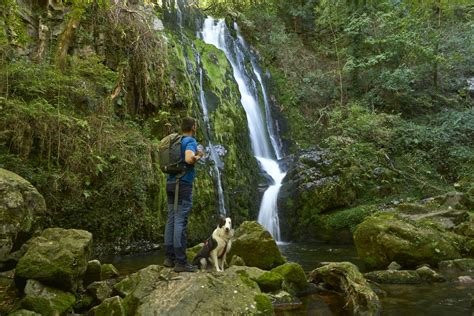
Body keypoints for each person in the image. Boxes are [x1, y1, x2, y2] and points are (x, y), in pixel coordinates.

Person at [163, 117, 204, 272]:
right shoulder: (190, 141)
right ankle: (181, 262)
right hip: (183, 185)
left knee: (171, 219)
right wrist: (198, 155)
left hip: (171, 183)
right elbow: (189, 159)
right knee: (180, 220)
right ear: (193, 127)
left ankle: (169, 258)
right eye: (196, 126)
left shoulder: (176, 142)